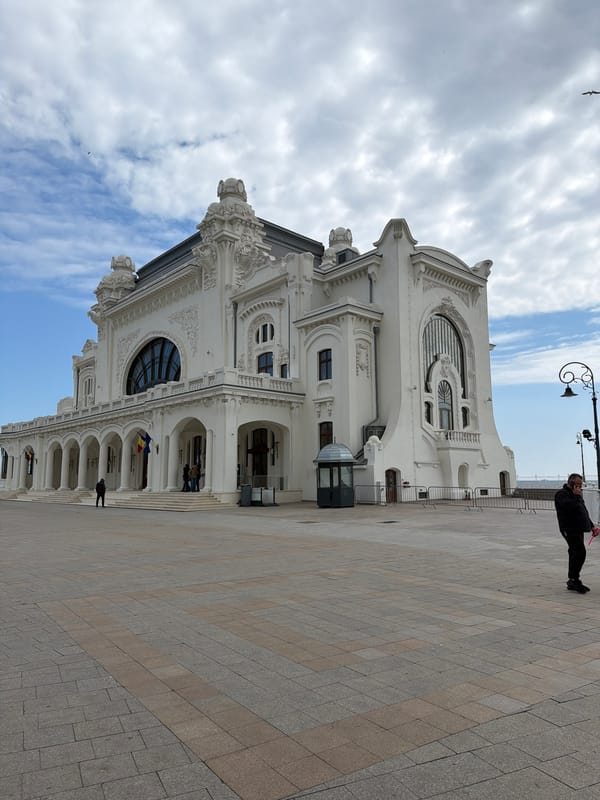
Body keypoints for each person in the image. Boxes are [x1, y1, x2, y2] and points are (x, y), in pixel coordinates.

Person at [554, 473, 599, 593]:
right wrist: (576, 496)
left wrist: (592, 526)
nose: (580, 487)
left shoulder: (577, 495)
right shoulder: (562, 495)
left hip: (578, 528)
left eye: (580, 484)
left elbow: (583, 511)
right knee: (580, 552)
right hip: (569, 528)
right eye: (577, 484)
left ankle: (573, 579)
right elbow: (570, 507)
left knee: (574, 552)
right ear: (571, 483)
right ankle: (574, 579)